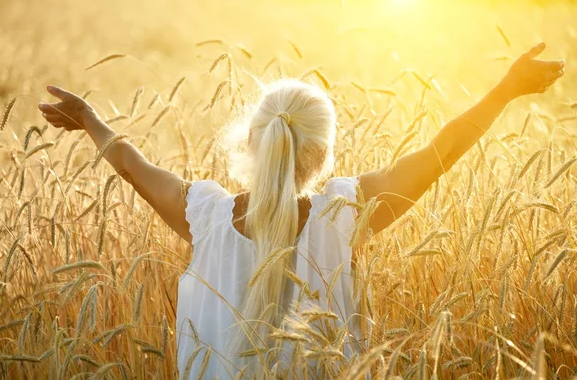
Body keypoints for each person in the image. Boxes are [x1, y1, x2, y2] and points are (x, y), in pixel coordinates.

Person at [39, 42, 564, 378]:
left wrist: (88, 118)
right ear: (323, 155)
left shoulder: (203, 216)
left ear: (251, 140)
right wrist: (505, 90)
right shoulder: (345, 216)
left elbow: (132, 165)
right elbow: (438, 156)